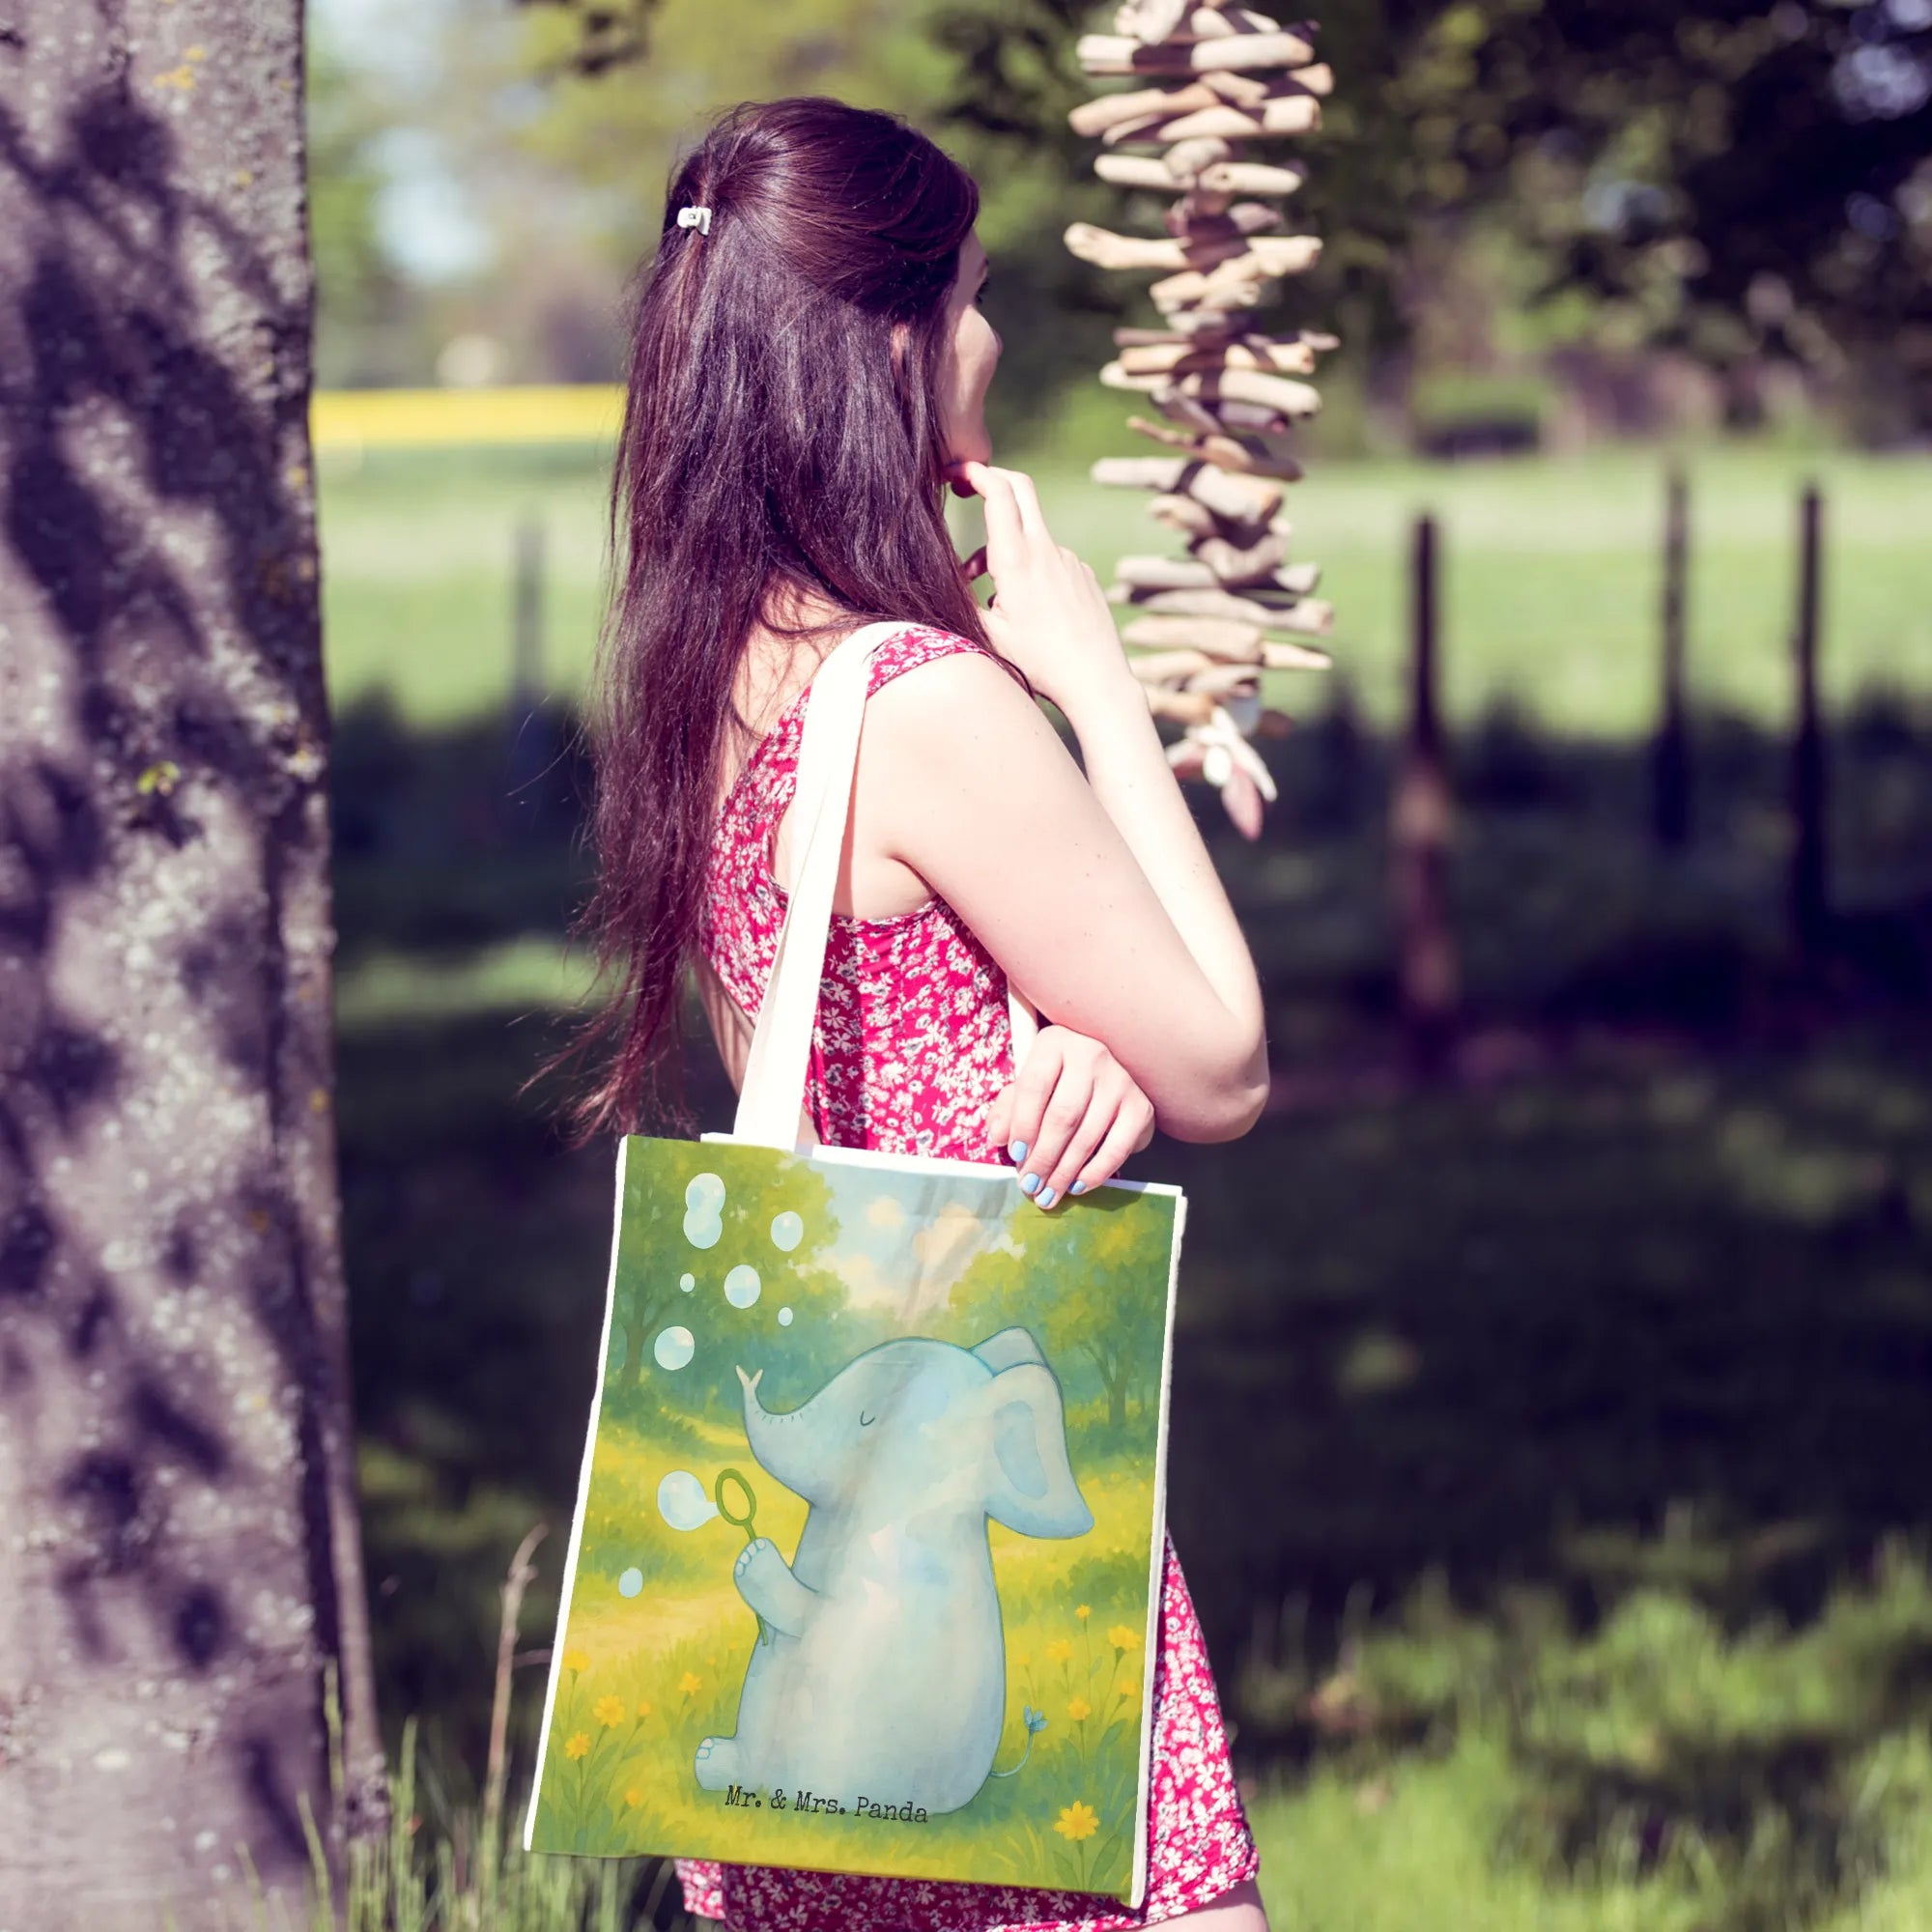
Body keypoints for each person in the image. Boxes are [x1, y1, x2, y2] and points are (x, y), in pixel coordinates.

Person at [571, 96, 1272, 1932]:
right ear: (889, 341)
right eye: (966, 296)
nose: (992, 338)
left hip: (826, 1623)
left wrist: (1060, 1039)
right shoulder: (927, 705)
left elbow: (831, 1043)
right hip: (981, 1569)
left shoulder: (716, 670)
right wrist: (1096, 688)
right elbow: (1224, 1061)